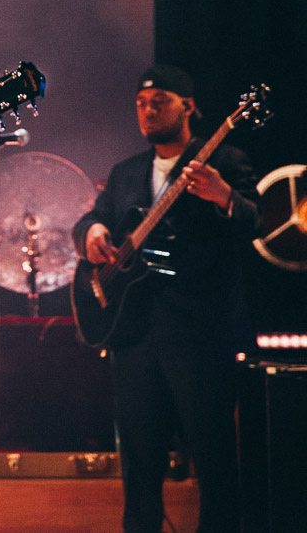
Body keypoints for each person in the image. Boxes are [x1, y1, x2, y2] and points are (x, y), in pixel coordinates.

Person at [72, 65, 259, 532]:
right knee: (139, 459)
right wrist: (92, 232)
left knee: (213, 456)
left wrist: (224, 197)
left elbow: (256, 224)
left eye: (160, 100)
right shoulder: (126, 173)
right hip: (134, 336)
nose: (148, 109)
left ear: (188, 107)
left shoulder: (226, 160)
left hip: (199, 334)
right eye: (141, 102)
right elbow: (92, 220)